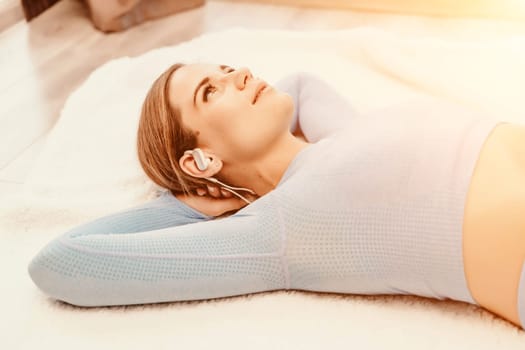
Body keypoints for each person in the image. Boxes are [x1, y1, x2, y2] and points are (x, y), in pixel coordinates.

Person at [28, 63, 525, 330]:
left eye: (226, 68)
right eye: (210, 91)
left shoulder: (340, 134)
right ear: (199, 159)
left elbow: (302, 83)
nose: (240, 73)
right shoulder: (276, 230)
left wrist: (223, 164)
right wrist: (194, 200)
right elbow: (61, 263)